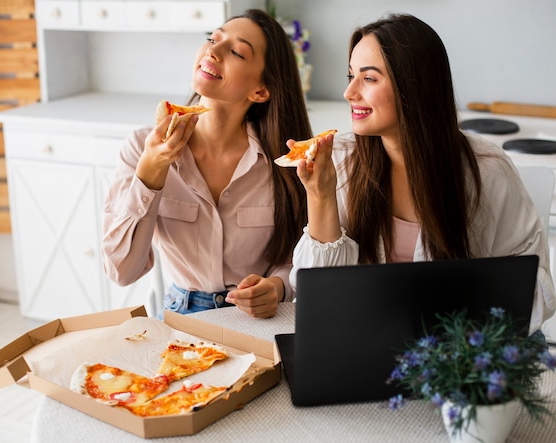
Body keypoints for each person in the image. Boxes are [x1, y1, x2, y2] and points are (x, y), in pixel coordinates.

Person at [290, 13, 555, 334]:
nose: (349, 93)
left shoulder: (488, 169)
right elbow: (318, 295)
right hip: (368, 340)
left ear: (414, 85)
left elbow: (535, 287)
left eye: (369, 78)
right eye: (350, 76)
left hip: (459, 352)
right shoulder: (343, 160)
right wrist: (320, 196)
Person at [102, 9, 312, 318]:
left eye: (237, 52)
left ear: (261, 90)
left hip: (258, 321)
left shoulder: (284, 160)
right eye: (212, 39)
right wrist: (151, 172)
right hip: (180, 319)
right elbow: (121, 272)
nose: (212, 51)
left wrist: (278, 287)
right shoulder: (141, 147)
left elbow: (300, 256)